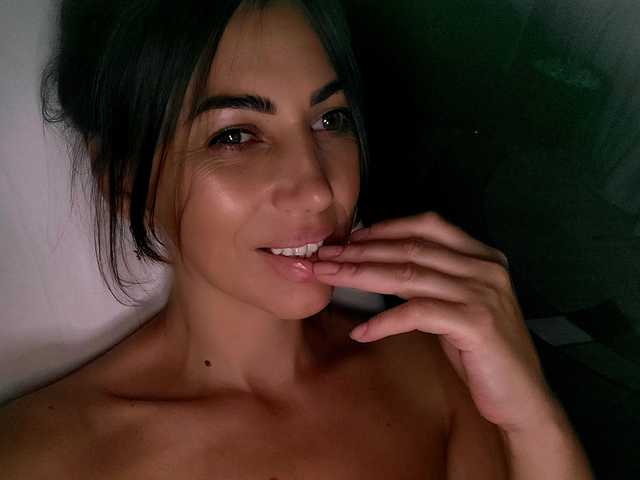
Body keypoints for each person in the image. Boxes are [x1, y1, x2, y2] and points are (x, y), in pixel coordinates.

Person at [0, 0, 593, 478]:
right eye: (235, 136)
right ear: (125, 182)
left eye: (330, 120)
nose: (316, 189)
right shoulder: (39, 458)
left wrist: (534, 419)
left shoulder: (435, 371)